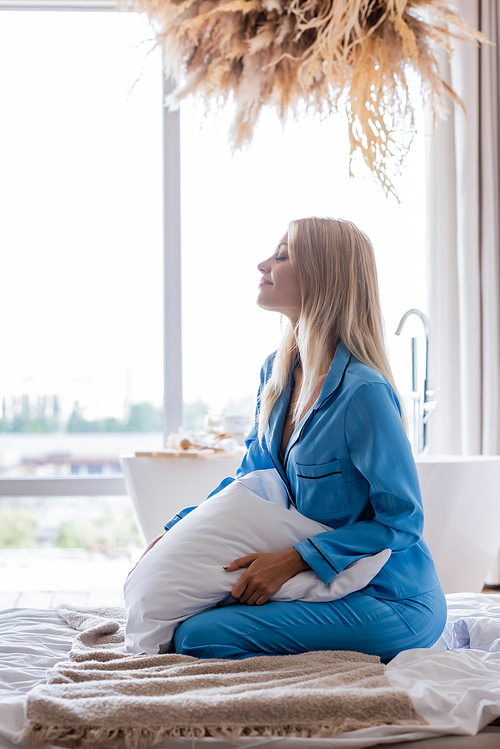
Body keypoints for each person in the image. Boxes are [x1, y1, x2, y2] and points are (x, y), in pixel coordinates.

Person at [163, 217, 447, 661]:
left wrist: (294, 559)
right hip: (320, 586)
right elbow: (249, 482)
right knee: (183, 614)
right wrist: (176, 531)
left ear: (321, 275)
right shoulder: (275, 375)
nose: (263, 265)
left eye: (281, 256)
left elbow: (402, 521)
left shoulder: (363, 393)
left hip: (391, 599)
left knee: (198, 636)